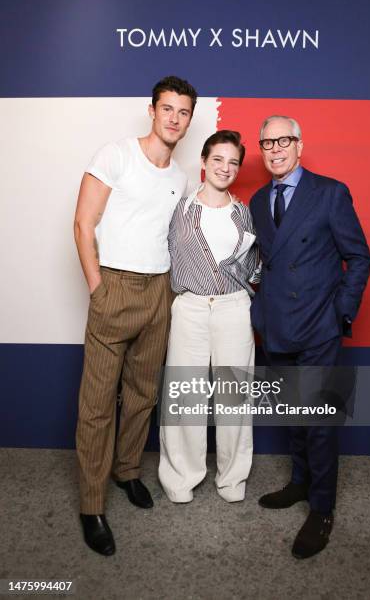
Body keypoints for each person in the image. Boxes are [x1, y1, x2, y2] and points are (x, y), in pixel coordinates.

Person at [74, 75, 198, 556]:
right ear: (152, 110)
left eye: (183, 112)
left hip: (158, 292)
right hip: (115, 286)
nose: (174, 118)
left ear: (189, 119)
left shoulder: (181, 178)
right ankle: (91, 505)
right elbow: (84, 224)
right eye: (167, 108)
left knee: (143, 394)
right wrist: (98, 289)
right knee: (98, 403)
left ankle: (127, 472)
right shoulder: (115, 154)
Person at [249, 115, 370, 559]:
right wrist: (258, 313)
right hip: (278, 325)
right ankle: (300, 483)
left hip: (319, 325)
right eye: (267, 143)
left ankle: (322, 508)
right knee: (291, 414)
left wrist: (342, 311)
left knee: (318, 421)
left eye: (283, 140)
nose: (275, 149)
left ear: (300, 145)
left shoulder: (330, 193)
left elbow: (359, 257)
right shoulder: (260, 201)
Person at [159, 130, 258, 504]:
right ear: (203, 162)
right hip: (190, 308)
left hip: (234, 308)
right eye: (218, 159)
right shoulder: (179, 208)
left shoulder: (243, 213)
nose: (225, 168)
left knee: (235, 397)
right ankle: (181, 477)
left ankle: (232, 478)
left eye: (233, 162)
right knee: (186, 395)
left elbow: (256, 267)